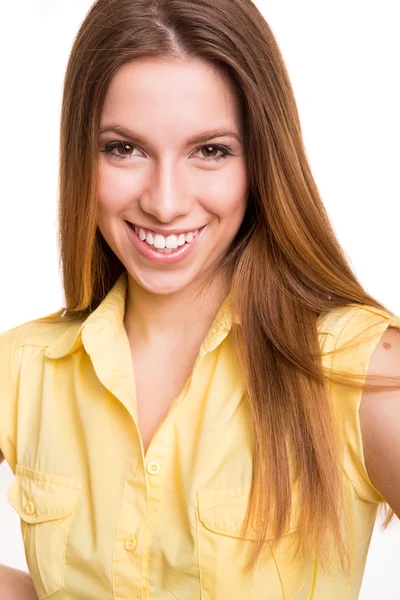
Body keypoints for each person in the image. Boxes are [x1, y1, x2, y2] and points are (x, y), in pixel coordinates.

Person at [0, 0, 399, 598]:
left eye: (210, 151)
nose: (164, 202)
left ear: (261, 161)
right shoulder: (23, 368)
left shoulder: (358, 367)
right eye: (123, 148)